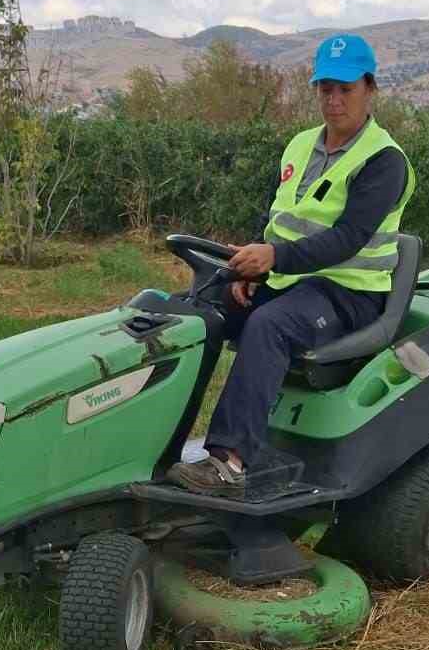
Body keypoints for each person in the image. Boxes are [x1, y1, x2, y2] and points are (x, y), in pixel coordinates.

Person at [166, 33, 416, 495]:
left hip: (349, 294)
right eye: (326, 89)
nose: (334, 100)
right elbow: (280, 219)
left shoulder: (384, 160)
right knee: (193, 308)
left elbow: (347, 239)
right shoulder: (300, 145)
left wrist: (275, 258)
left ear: (370, 88)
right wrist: (253, 265)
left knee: (269, 325)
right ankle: (160, 438)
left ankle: (227, 463)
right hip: (292, 280)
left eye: (346, 89)